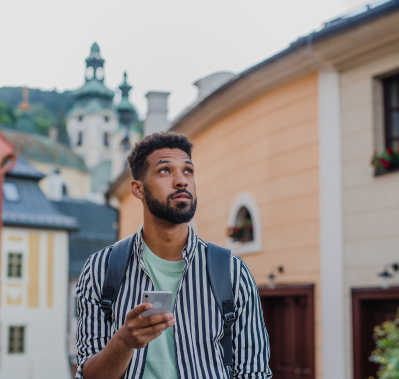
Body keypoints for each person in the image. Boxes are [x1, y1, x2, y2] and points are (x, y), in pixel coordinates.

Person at [75, 132, 272, 379]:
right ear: (138, 189)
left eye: (188, 171)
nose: (181, 181)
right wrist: (123, 341)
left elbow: (253, 372)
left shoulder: (232, 271)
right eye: (165, 171)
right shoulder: (101, 269)